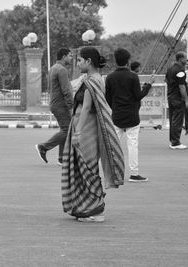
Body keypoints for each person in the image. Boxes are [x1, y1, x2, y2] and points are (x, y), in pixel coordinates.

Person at [61, 47, 124, 223]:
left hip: (87, 129)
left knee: (88, 167)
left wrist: (77, 132)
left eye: (80, 60)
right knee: (84, 168)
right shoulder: (90, 79)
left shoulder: (93, 81)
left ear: (89, 62)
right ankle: (85, 206)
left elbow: (87, 108)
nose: (78, 63)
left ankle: (95, 208)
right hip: (85, 127)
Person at [105, 48, 155, 183]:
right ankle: (134, 173)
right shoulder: (133, 76)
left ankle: (111, 172)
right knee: (132, 144)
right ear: (128, 61)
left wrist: (115, 108)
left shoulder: (110, 77)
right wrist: (148, 85)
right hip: (132, 115)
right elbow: (138, 96)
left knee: (113, 145)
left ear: (116, 61)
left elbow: (107, 97)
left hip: (117, 115)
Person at [35, 48, 73, 165]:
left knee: (65, 130)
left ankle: (62, 158)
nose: (71, 58)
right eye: (70, 56)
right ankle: (44, 147)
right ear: (63, 56)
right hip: (61, 105)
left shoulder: (52, 68)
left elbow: (49, 88)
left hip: (55, 103)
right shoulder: (62, 70)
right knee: (67, 130)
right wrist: (72, 105)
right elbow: (66, 90)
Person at [165, 51, 188, 149]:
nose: (186, 60)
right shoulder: (180, 71)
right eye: (185, 58)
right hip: (178, 98)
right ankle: (175, 142)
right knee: (177, 120)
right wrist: (186, 99)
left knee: (172, 119)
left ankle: (173, 140)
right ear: (180, 59)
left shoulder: (170, 68)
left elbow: (166, 80)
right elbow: (182, 87)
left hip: (170, 96)